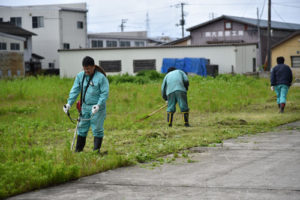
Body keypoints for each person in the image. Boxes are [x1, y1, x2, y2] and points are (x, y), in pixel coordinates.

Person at [63, 56, 109, 152]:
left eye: (88, 69)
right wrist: (69, 104)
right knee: (82, 128)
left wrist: (98, 105)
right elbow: (75, 90)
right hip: (84, 107)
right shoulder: (80, 76)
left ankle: (96, 152)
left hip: (97, 108)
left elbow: (104, 93)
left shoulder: (101, 78)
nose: (86, 71)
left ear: (93, 67)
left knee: (97, 129)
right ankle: (78, 151)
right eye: (84, 69)